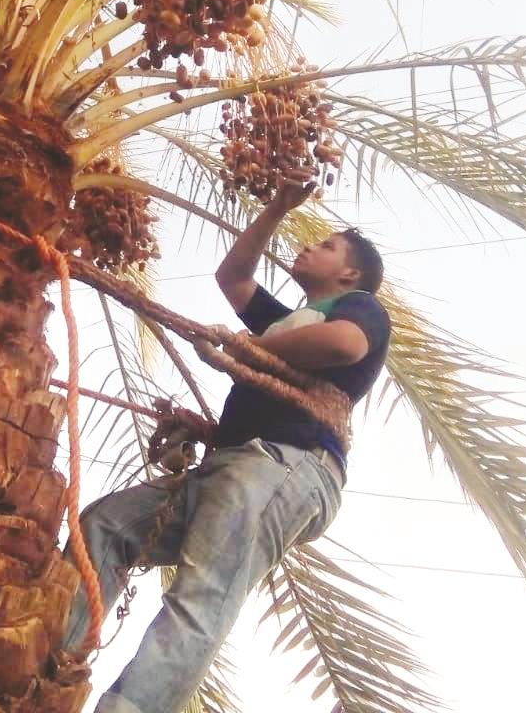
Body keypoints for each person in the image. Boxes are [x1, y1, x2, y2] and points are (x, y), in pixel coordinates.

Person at [61, 171, 391, 713]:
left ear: (350, 273)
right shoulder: (290, 319)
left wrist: (251, 348)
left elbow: (344, 345)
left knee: (203, 594)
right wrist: (276, 210)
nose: (311, 246)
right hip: (233, 465)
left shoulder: (356, 307)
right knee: (108, 524)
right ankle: (50, 666)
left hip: (285, 465)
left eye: (327, 246)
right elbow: (233, 278)